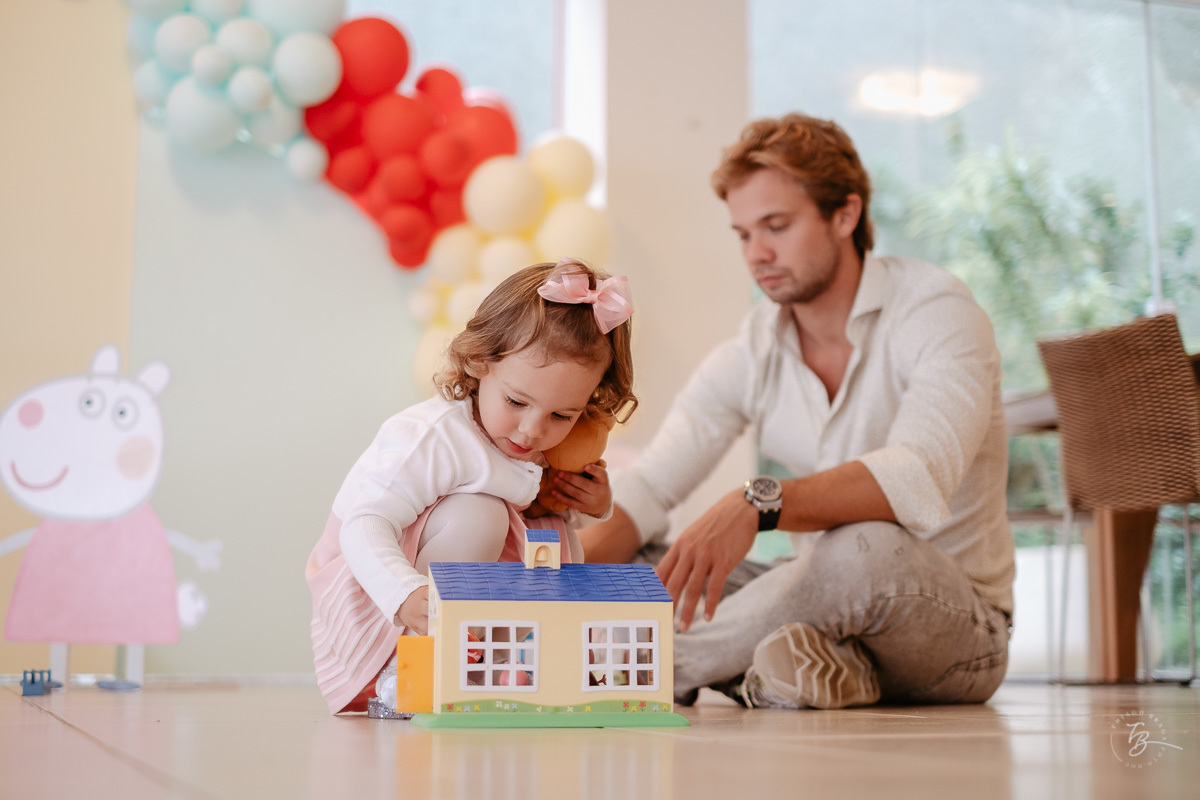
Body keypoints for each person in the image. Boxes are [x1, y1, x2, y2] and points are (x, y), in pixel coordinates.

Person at [580, 113, 1014, 710]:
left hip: (954, 628)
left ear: (845, 215)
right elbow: (651, 484)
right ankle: (800, 674)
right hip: (824, 606)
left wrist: (759, 502)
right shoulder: (755, 347)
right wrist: (550, 586)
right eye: (742, 234)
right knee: (644, 557)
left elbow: (917, 477)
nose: (757, 253)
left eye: (776, 226)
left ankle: (652, 665)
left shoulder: (937, 311)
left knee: (864, 544)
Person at [306, 258, 636, 714]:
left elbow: (531, 505)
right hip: (373, 588)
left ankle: (510, 668)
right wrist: (404, 595)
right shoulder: (435, 435)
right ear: (481, 363)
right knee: (479, 514)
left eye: (563, 415)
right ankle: (405, 667)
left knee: (558, 538)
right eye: (517, 401)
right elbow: (363, 525)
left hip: (457, 584)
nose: (531, 431)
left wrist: (592, 503)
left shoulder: (538, 442)